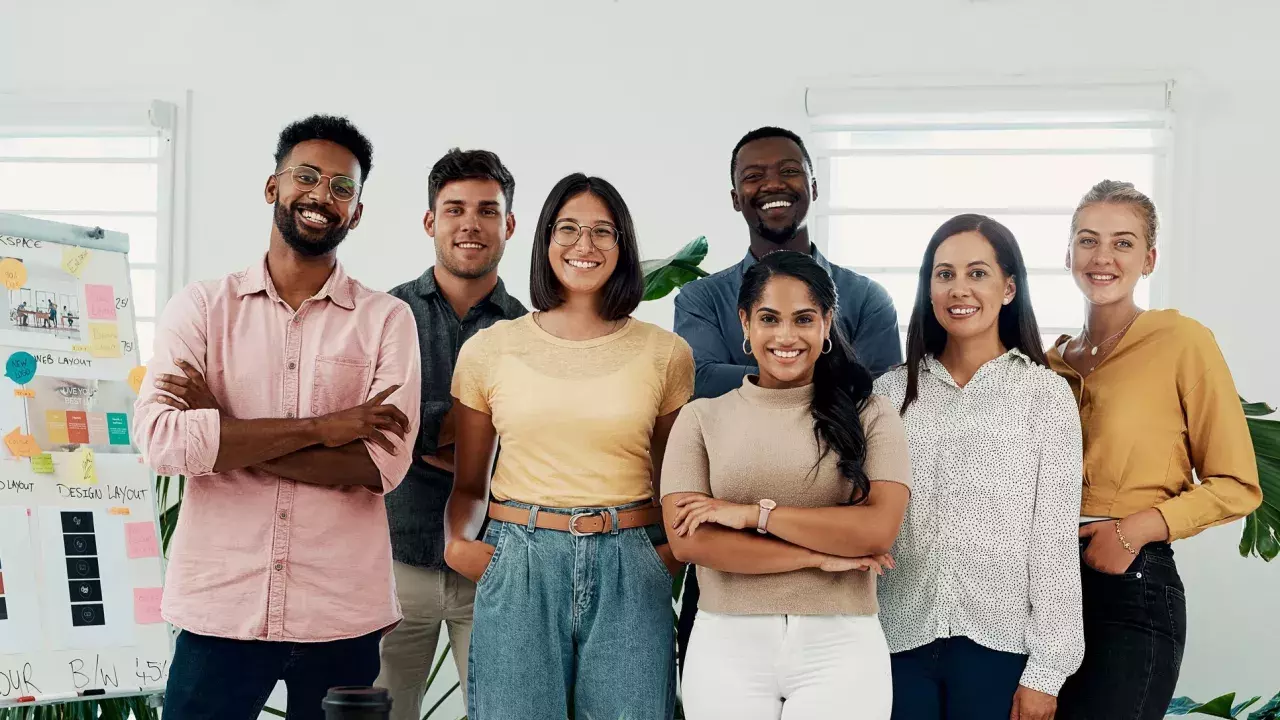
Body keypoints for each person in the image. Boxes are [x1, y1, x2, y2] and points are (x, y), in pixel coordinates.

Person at [133, 114, 422, 720]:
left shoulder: (386, 320)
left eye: (343, 187)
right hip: (221, 608)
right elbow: (162, 440)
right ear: (273, 187)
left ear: (357, 212)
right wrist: (324, 428)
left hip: (342, 614)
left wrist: (222, 430)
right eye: (307, 177)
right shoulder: (201, 308)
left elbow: (380, 466)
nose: (322, 195)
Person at [443, 173, 693, 720]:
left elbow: (676, 485)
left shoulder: (666, 353)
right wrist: (459, 546)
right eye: (569, 229)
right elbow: (468, 483)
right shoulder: (490, 350)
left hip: (630, 561)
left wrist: (665, 559)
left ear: (623, 246)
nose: (586, 245)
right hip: (519, 560)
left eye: (604, 231)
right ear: (545, 241)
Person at [672, 126, 903, 667]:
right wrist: (808, 373)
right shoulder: (702, 297)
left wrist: (770, 379)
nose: (772, 183)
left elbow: (870, 393)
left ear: (814, 187)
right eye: (753, 176)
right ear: (735, 197)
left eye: (789, 170)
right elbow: (701, 378)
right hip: (728, 596)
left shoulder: (865, 297)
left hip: (843, 591)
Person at [661, 250, 912, 720]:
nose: (785, 336)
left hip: (841, 644)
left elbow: (877, 530)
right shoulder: (701, 417)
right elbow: (691, 541)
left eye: (803, 319)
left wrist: (753, 515)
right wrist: (818, 557)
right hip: (725, 643)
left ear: (826, 324)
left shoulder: (870, 415)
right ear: (745, 322)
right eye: (769, 318)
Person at [1049, 181, 1261, 720]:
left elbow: (1236, 484)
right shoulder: (1045, 363)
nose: (1102, 257)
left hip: (1132, 585)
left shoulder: (1181, 342)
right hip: (1037, 587)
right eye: (1088, 240)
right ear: (1067, 252)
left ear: (1149, 259)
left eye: (1123, 243)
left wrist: (1133, 531)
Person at [874, 214, 1084, 720]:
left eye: (977, 273)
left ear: (1009, 288)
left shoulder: (1046, 396)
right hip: (894, 642)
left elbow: (1053, 540)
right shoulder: (888, 394)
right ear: (928, 290)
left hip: (1002, 649)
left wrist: (1047, 671)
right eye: (944, 274)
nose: (958, 288)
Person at [376, 148, 526, 720]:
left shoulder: (529, 330)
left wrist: (421, 427)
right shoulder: (385, 316)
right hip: (394, 560)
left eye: (488, 211)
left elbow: (530, 441)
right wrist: (476, 438)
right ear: (430, 221)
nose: (471, 223)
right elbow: (374, 422)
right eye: (455, 209)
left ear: (508, 225)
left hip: (495, 565)